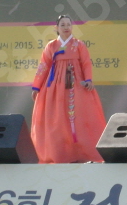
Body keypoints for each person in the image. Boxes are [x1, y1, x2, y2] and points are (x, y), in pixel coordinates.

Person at [30, 15, 107, 163]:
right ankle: (59, 153)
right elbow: (43, 67)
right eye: (63, 25)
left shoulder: (79, 45)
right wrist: (37, 86)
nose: (66, 27)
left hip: (76, 84)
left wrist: (88, 80)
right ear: (56, 28)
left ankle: (83, 153)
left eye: (68, 24)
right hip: (54, 88)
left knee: (80, 118)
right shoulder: (51, 46)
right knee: (57, 120)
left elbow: (86, 63)